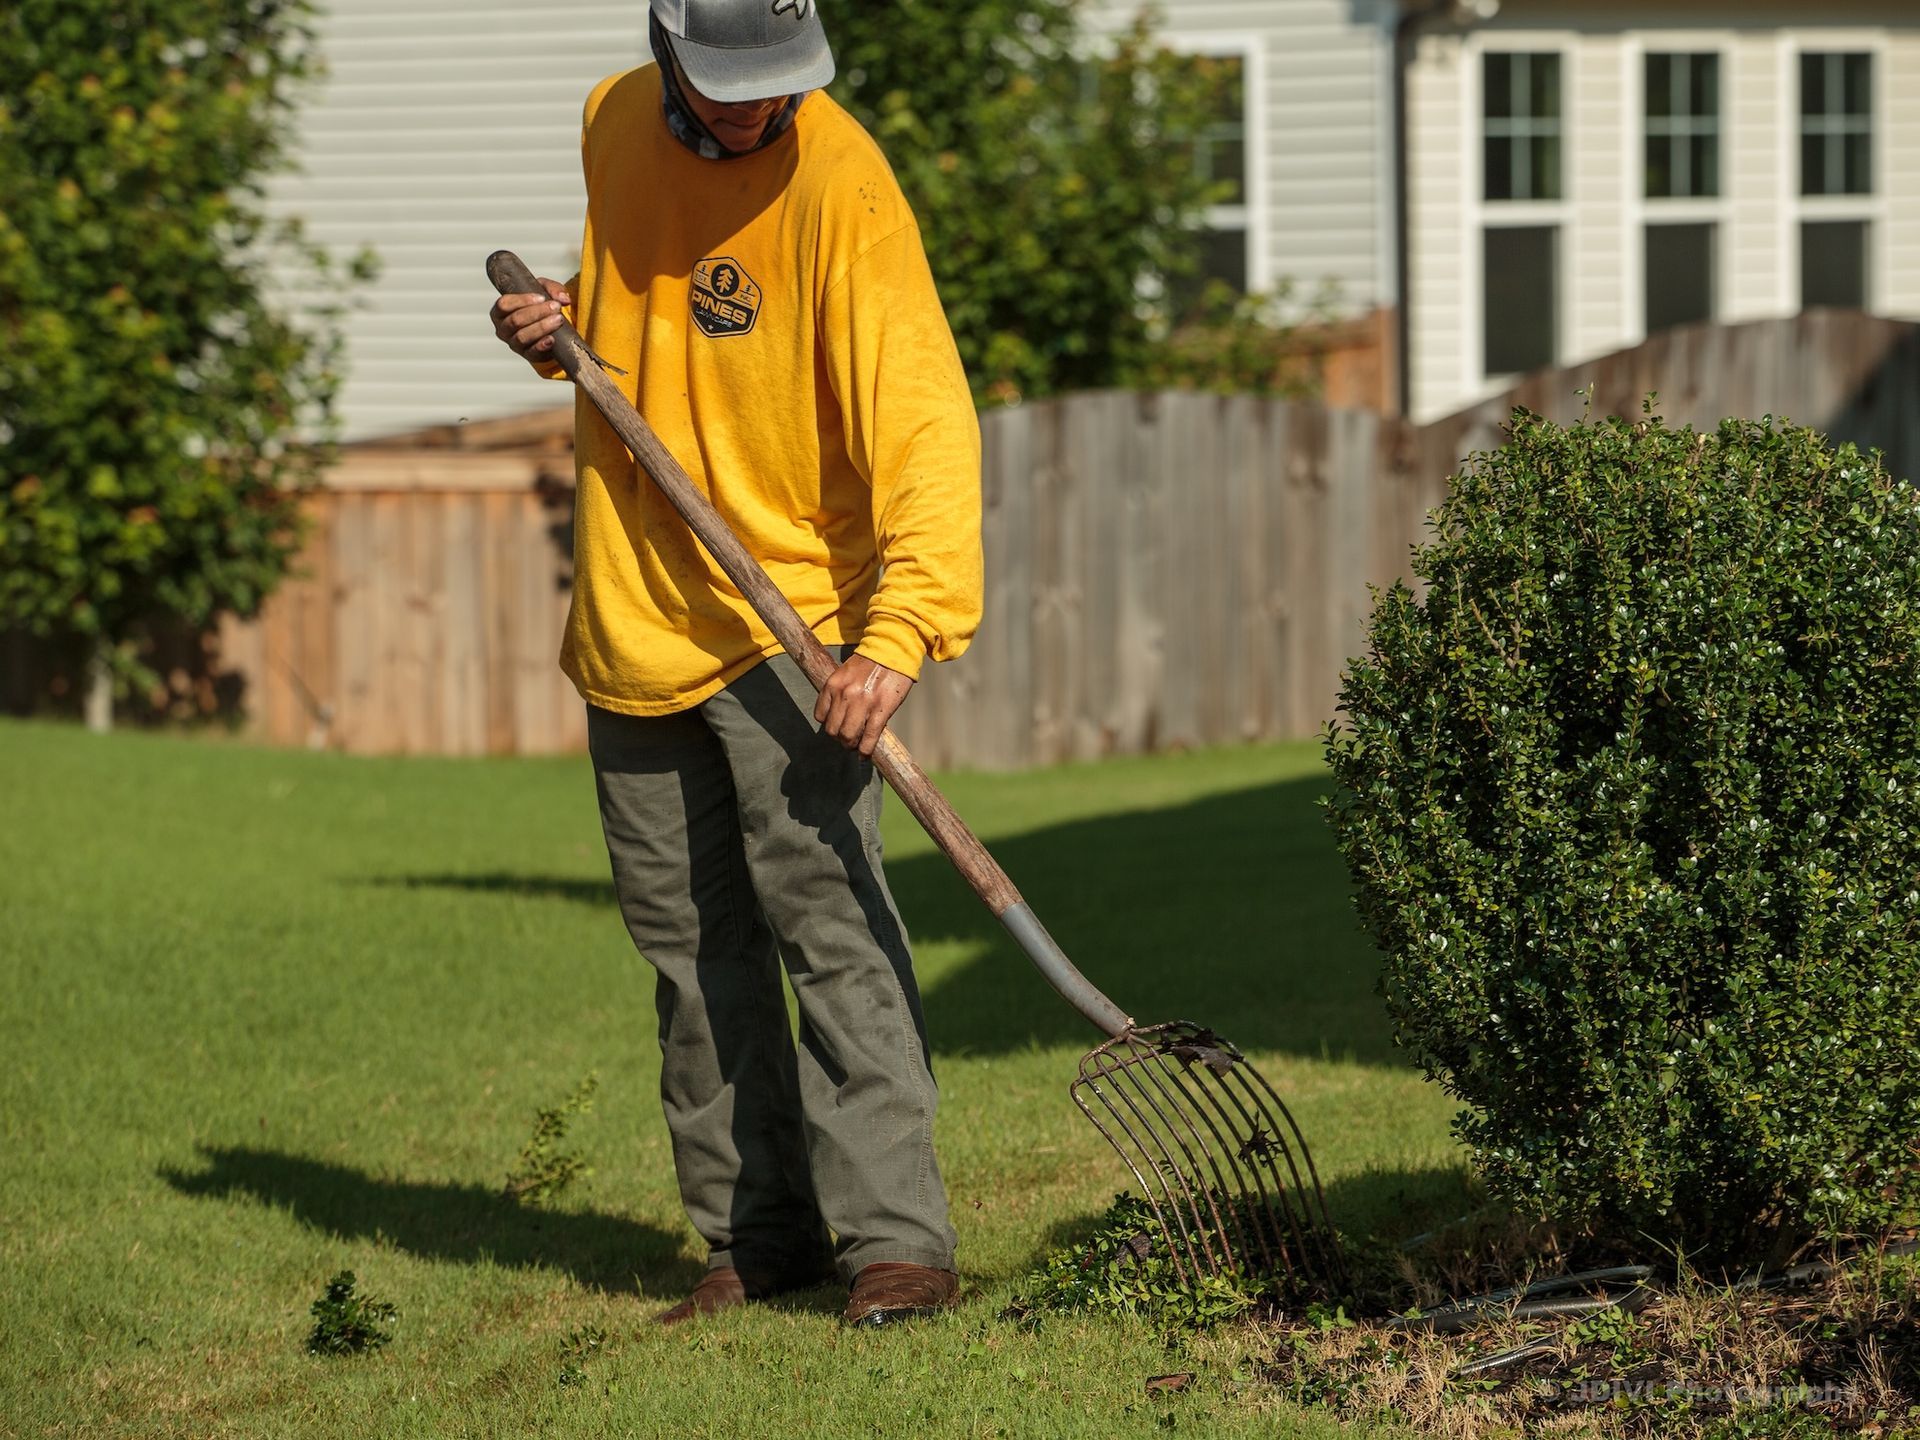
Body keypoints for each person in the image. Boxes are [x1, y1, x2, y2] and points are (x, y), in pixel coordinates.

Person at [487, 0, 982, 1328]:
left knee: (832, 934)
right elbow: (659, 323)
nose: (759, 110)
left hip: (791, 633)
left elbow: (923, 410)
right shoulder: (608, 125)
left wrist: (901, 628)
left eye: (779, 85)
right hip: (635, 617)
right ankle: (755, 1234)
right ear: (665, 53)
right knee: (693, 957)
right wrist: (565, 333)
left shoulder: (841, 179)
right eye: (731, 88)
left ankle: (898, 1241)